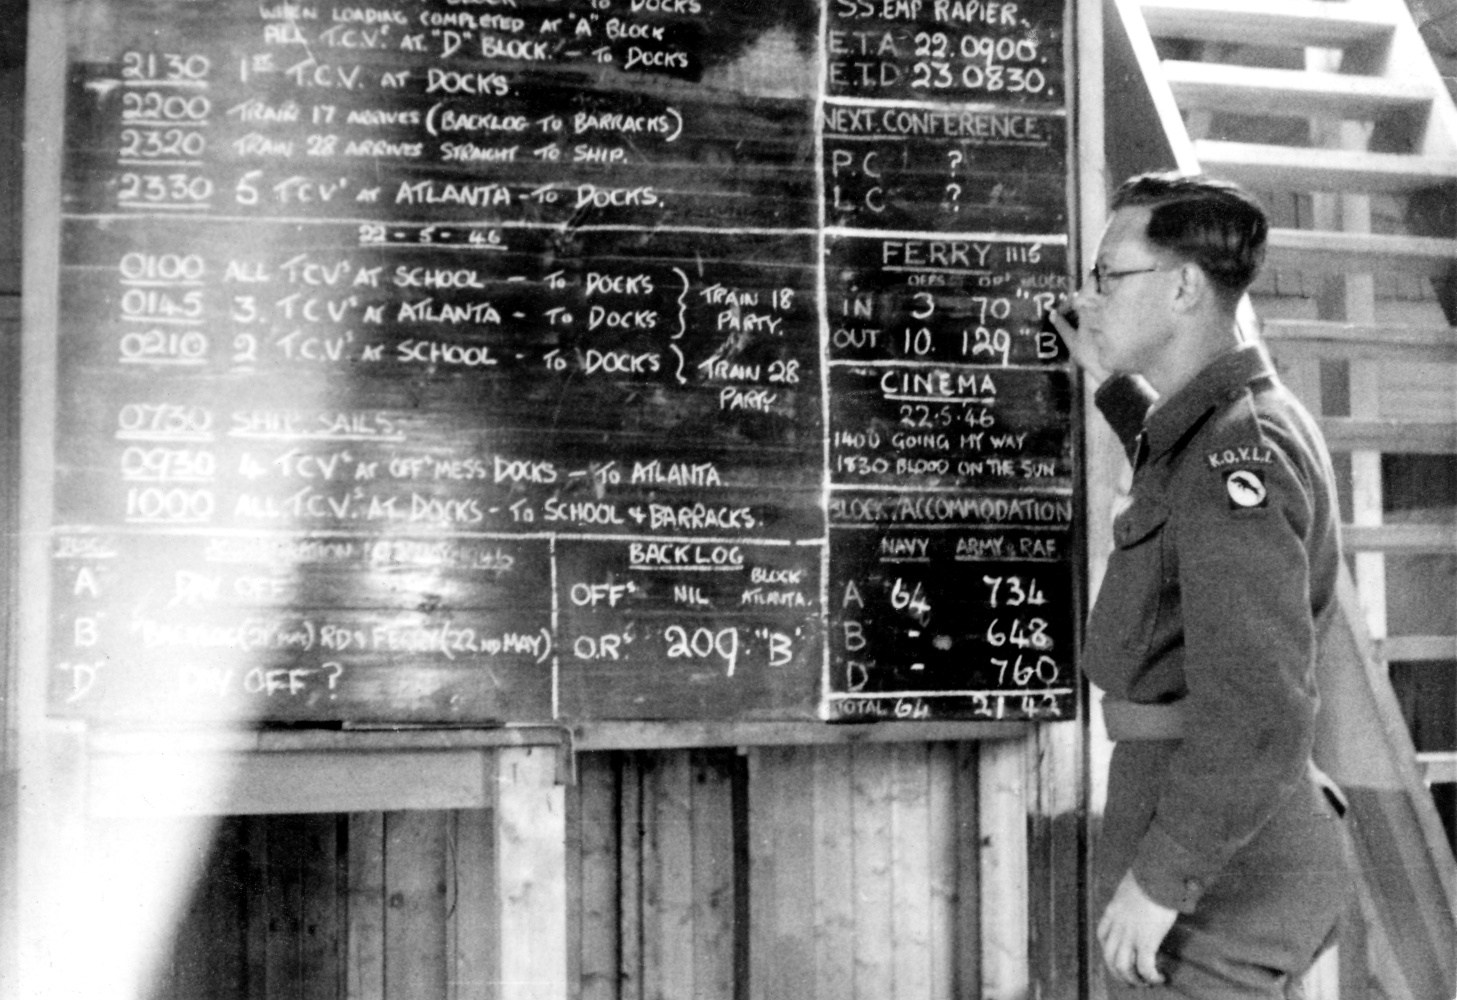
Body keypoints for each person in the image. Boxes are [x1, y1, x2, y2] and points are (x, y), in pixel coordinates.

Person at [1051, 172, 1355, 999]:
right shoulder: (1217, 430)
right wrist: (1114, 387)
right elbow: (1176, 484)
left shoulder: (1236, 452)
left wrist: (1162, 880)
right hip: (1208, 818)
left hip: (1221, 857)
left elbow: (1258, 704)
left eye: (1107, 275)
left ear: (1183, 286)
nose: (1090, 296)